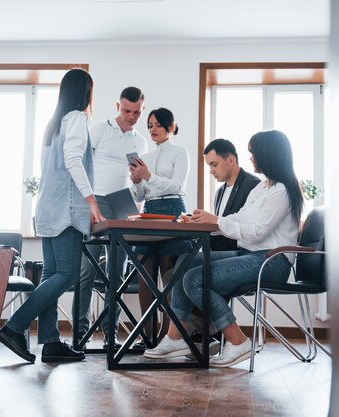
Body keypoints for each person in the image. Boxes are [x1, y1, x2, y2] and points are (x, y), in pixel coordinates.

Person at [144, 130, 303, 368]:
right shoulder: (263, 188)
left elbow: (258, 231)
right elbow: (240, 218)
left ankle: (237, 340)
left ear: (268, 155)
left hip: (272, 262)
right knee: (187, 260)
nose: (250, 158)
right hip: (250, 254)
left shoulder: (281, 191)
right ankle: (176, 338)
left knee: (194, 279)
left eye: (253, 153)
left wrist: (216, 222)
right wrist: (206, 222)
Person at [0, 68, 105, 363]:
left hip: (47, 207)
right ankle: (14, 327)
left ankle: (51, 341)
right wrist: (92, 202)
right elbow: (72, 161)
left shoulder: (53, 124)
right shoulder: (78, 119)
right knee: (66, 275)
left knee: (51, 274)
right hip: (66, 209)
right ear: (85, 92)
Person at [164, 138, 261, 355]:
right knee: (177, 268)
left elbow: (243, 226)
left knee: (189, 273)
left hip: (239, 255)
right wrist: (198, 222)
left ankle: (198, 336)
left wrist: (211, 224)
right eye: (209, 165)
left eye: (214, 164)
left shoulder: (252, 186)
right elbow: (219, 223)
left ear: (232, 160)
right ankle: (191, 336)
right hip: (218, 250)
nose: (211, 171)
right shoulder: (219, 192)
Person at [72, 87, 148, 349]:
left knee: (117, 272)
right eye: (126, 111)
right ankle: (80, 335)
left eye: (136, 112)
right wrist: (87, 200)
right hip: (97, 198)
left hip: (124, 202)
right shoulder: (98, 129)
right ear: (118, 106)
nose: (131, 116)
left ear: (142, 109)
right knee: (86, 269)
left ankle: (111, 335)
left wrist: (139, 182)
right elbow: (80, 165)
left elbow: (139, 185)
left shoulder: (141, 141)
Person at [128, 107, 191, 343]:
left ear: (171, 127)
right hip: (150, 210)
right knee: (145, 273)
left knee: (169, 275)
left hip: (173, 208)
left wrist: (148, 176)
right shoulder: (147, 156)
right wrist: (136, 181)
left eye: (157, 125)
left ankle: (169, 337)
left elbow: (176, 185)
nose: (152, 129)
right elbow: (141, 195)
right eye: (150, 125)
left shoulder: (180, 152)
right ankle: (147, 335)